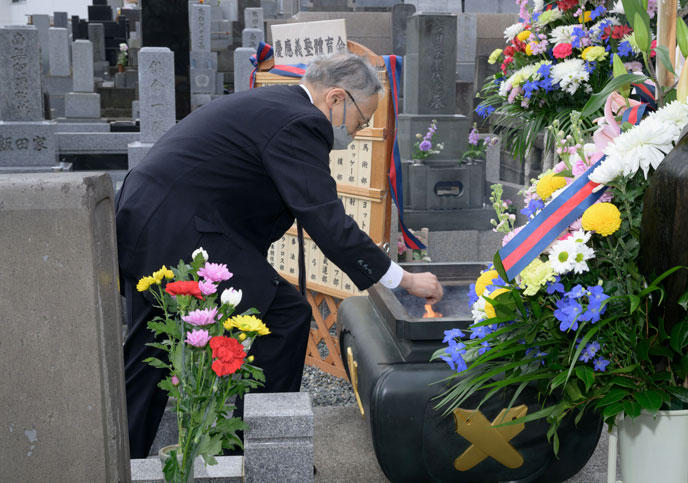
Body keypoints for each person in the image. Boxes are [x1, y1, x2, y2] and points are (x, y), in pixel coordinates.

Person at [115, 54, 443, 458]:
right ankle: (260, 456)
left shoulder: (277, 105)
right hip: (182, 229)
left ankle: (118, 459)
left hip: (144, 219)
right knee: (284, 315)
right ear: (336, 98)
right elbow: (326, 219)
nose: (358, 134)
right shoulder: (302, 122)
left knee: (150, 348)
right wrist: (402, 279)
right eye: (361, 121)